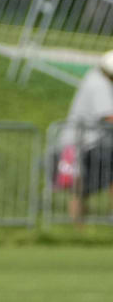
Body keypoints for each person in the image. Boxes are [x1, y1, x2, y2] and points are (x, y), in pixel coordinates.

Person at [56, 50, 113, 222]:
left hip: (88, 142)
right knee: (79, 188)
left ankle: (79, 230)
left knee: (80, 188)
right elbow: (109, 117)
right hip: (83, 143)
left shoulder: (95, 76)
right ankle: (78, 229)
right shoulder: (99, 85)